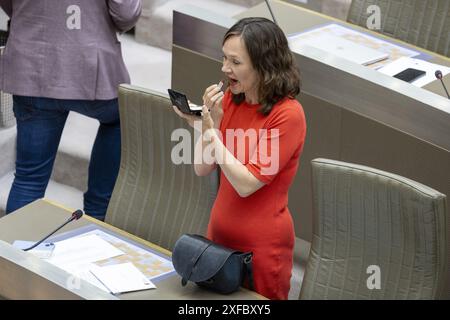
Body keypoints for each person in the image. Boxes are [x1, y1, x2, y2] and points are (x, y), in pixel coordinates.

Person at [173, 17, 307, 299]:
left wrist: (212, 133)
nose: (225, 69)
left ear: (263, 65)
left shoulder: (288, 115)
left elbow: (247, 183)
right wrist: (211, 122)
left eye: (235, 62)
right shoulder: (233, 100)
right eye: (224, 59)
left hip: (261, 248)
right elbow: (202, 167)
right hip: (218, 238)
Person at [0, 0, 142, 220]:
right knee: (123, 117)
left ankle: (14, 251)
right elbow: (126, 12)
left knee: (28, 179)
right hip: (88, 65)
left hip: (31, 63)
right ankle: (97, 214)